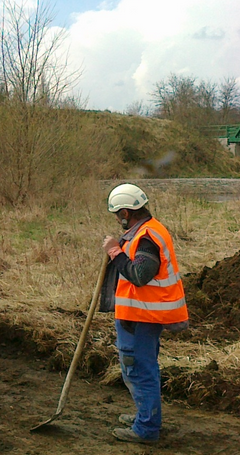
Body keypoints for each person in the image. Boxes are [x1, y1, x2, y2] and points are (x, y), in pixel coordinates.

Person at [101, 183, 188, 444]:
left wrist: (115, 251)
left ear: (126, 212)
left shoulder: (147, 237)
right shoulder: (143, 231)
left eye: (118, 214)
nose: (117, 219)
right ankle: (145, 416)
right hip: (140, 315)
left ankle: (147, 428)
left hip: (142, 317)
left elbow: (140, 274)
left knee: (138, 369)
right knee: (140, 368)